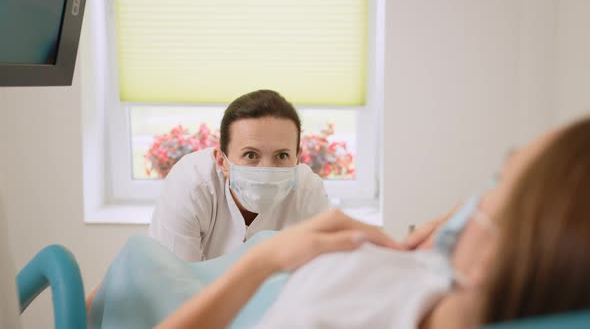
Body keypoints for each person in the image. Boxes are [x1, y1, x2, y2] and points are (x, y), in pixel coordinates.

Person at [149, 116, 590, 328]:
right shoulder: (447, 273)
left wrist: (263, 260)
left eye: (496, 183)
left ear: (495, 257)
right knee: (145, 266)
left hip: (257, 287)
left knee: (144, 277)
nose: (469, 203)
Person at [149, 89, 331, 262]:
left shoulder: (308, 193)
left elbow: (321, 276)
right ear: (222, 161)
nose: (266, 171)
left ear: (297, 158)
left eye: (282, 155)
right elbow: (172, 282)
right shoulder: (190, 185)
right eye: (251, 155)